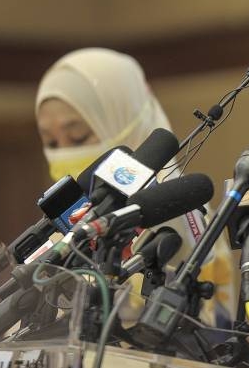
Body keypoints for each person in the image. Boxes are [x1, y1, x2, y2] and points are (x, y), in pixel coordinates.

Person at [35, 47, 234, 331]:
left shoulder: (177, 209)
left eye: (79, 136)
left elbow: (208, 326)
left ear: (128, 119)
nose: (64, 152)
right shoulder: (70, 221)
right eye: (51, 143)